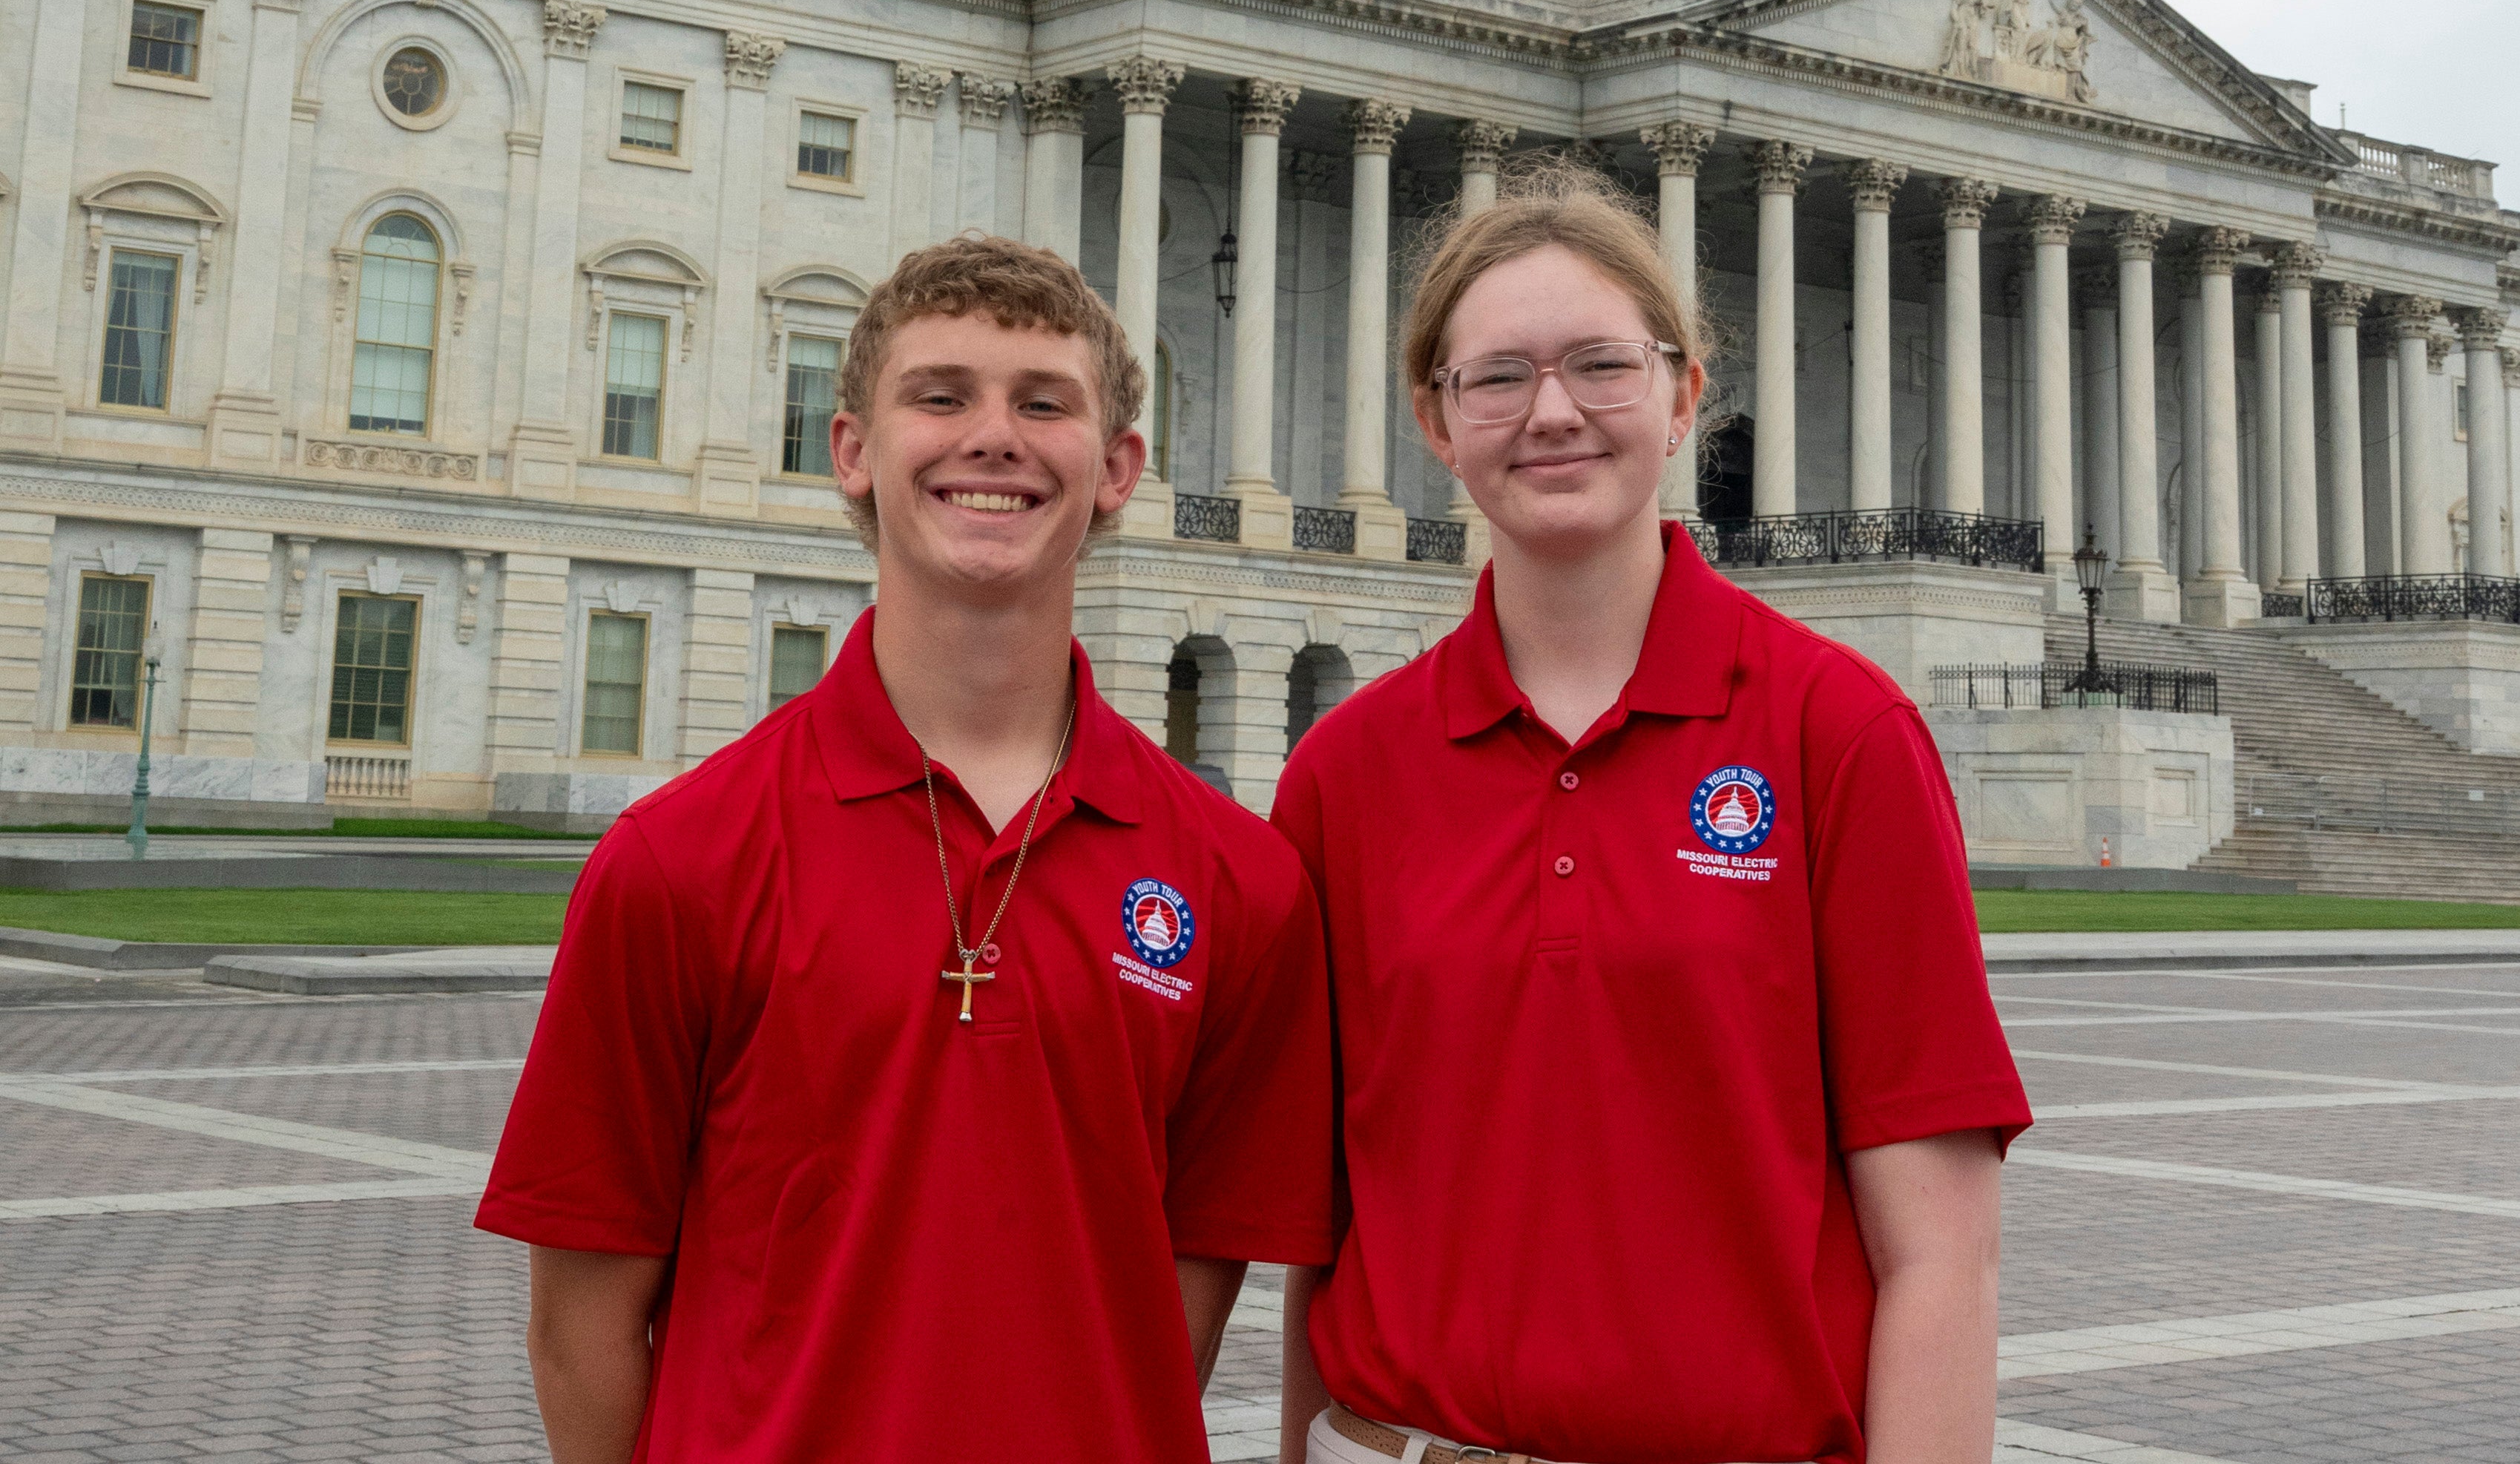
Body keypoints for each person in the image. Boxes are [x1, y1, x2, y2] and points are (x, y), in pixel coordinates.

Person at [478, 234, 1332, 1464]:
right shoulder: (677, 859)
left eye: (1044, 402)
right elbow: (580, 1324)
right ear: (854, 451)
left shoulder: (1240, 882)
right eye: (940, 395)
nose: (993, 435)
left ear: (1116, 467)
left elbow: (1182, 1292)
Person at [1273, 168, 2029, 1464]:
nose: (1551, 411)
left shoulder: (1836, 735)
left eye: (1600, 365)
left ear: (1683, 397)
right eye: (1496, 375)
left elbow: (1940, 1252)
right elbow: (1326, 1228)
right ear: (1434, 420)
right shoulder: (1344, 773)